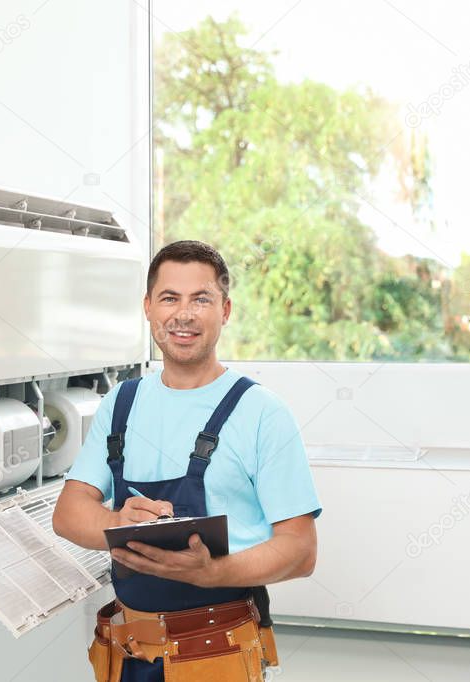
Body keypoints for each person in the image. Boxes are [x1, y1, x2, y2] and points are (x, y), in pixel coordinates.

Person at [52, 240, 321, 682]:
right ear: (148, 307)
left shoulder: (262, 413)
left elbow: (301, 550)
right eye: (170, 298)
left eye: (201, 299)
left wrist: (214, 572)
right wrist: (116, 522)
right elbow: (68, 513)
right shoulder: (122, 402)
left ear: (226, 310)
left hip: (219, 655)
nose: (184, 314)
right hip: (129, 655)